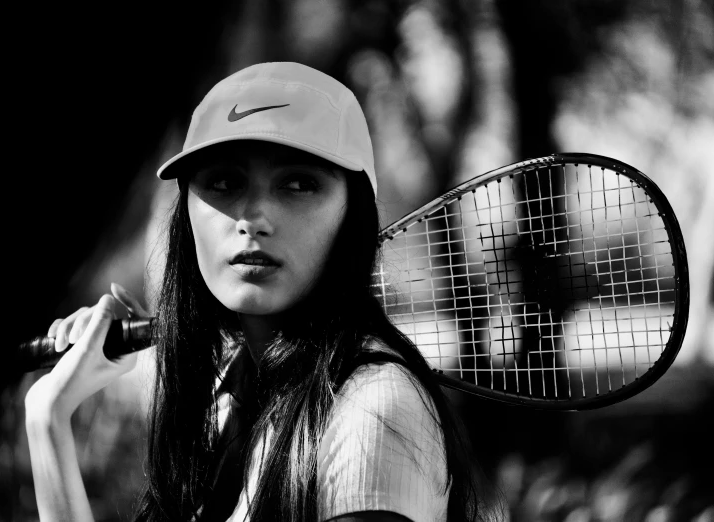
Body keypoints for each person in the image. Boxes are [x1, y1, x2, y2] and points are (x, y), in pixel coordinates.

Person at [25, 62, 486, 522]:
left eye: (299, 183)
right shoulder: (229, 394)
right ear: (186, 211)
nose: (253, 216)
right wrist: (47, 417)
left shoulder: (373, 406)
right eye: (224, 182)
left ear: (353, 215)